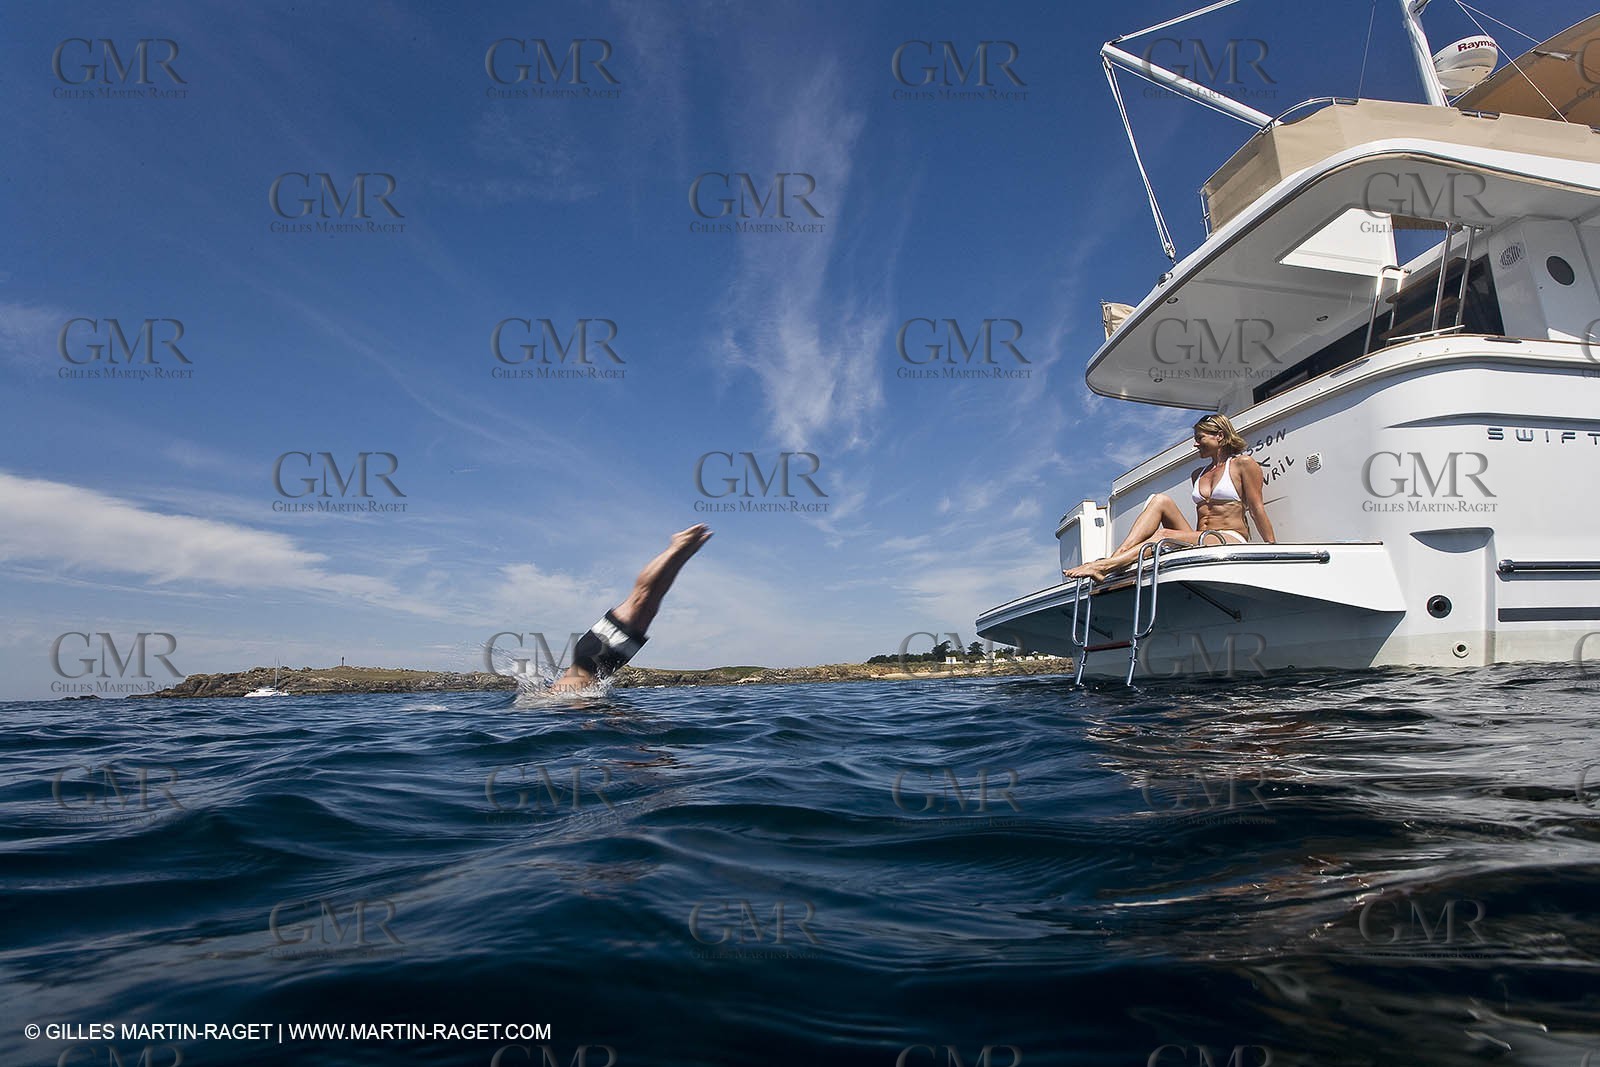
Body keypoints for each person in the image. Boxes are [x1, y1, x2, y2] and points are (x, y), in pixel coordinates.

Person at [1063, 414, 1276, 583]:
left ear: (1219, 436)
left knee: (1163, 534)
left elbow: (1257, 509)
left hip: (1229, 537)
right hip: (1201, 537)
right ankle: (1115, 556)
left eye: (1200, 438)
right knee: (1159, 500)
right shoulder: (1198, 474)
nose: (1195, 445)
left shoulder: (1243, 464)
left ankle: (1103, 567)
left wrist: (1272, 549)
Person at [548, 524, 713, 693]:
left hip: (592, 658)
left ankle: (675, 547)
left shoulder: (556, 700)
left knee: (640, 598)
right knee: (651, 603)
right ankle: (683, 553)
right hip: (603, 663)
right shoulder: (557, 700)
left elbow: (577, 704)